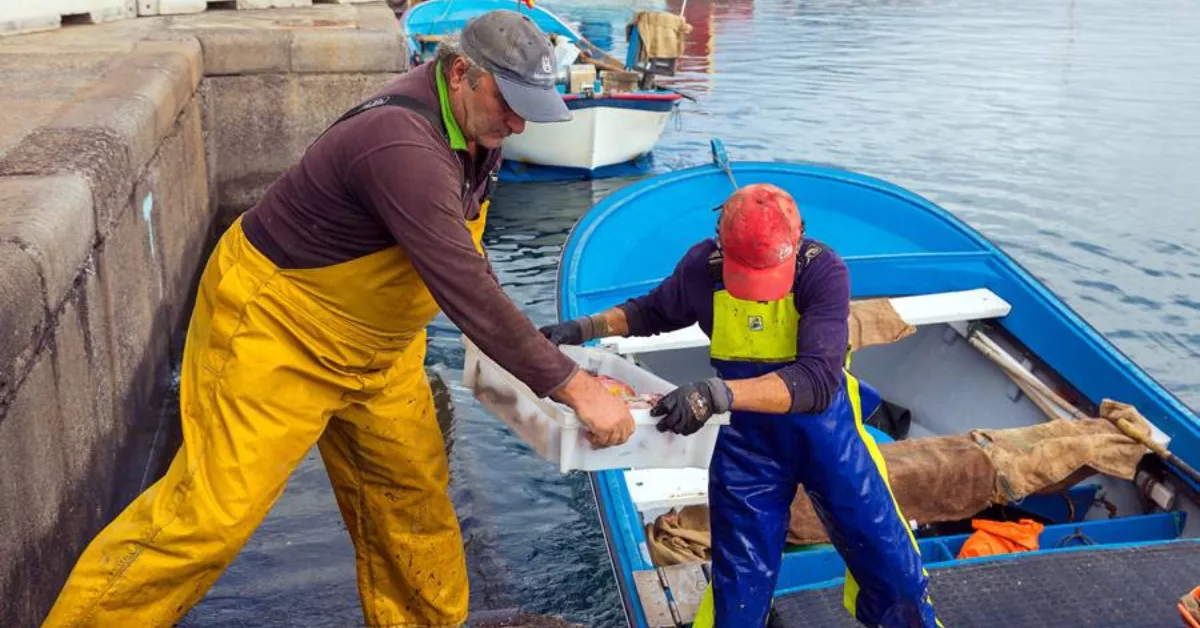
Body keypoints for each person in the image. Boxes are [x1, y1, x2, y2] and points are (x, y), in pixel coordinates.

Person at [43, 10, 634, 628]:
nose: (516, 123)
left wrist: (521, 349)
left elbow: (468, 258)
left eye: (529, 110)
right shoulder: (401, 145)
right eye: (508, 103)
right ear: (461, 73)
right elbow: (464, 288)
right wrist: (574, 385)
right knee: (207, 517)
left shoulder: (477, 131)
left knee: (411, 503)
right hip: (279, 329)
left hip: (379, 349)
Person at [540, 184, 941, 627]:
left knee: (890, 565)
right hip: (748, 449)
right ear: (720, 241)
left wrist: (716, 395)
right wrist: (584, 326)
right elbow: (653, 311)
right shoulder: (703, 266)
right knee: (738, 588)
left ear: (800, 237)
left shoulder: (823, 271)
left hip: (828, 440)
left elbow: (815, 383)